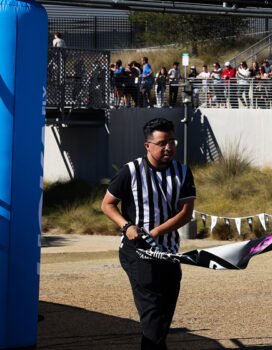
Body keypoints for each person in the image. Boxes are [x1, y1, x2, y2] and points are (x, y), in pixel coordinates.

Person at [101, 118, 196, 350]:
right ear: (148, 146)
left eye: (172, 141)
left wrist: (154, 233)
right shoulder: (130, 171)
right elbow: (107, 204)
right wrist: (127, 226)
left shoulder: (182, 172)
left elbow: (185, 214)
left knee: (164, 311)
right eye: (162, 143)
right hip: (138, 253)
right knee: (153, 310)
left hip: (169, 252)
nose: (169, 147)